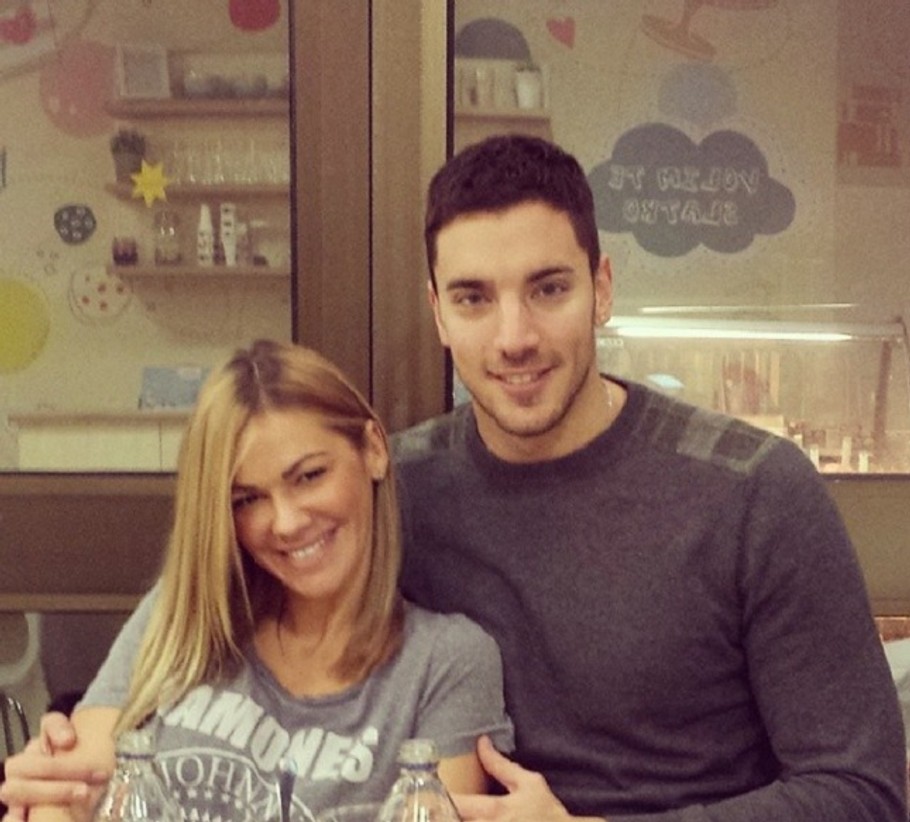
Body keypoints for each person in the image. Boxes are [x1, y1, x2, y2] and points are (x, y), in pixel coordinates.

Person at [2, 135, 906, 821]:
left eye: (548, 289)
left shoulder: (753, 493)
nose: (513, 336)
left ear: (602, 288)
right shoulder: (387, 492)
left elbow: (865, 791)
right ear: (437, 312)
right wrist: (68, 767)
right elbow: (206, 601)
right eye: (474, 297)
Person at [3, 340, 512, 822]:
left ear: (374, 450)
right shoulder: (184, 613)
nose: (286, 523)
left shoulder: (448, 663)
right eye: (247, 499)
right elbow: (59, 800)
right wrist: (49, 795)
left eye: (309, 476)